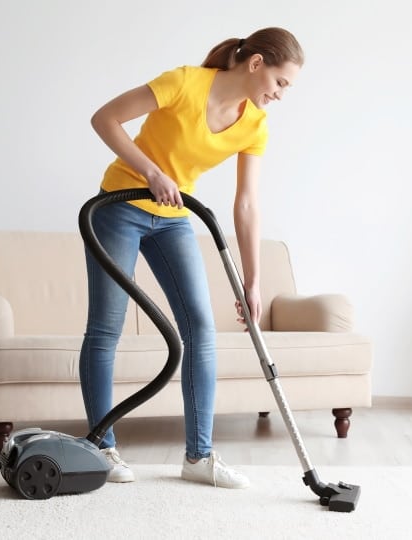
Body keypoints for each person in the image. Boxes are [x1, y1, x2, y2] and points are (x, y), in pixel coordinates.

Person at [80, 27, 304, 489]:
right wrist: (152, 171)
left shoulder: (255, 125)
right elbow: (104, 119)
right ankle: (102, 447)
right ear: (256, 64)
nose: (281, 95)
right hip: (119, 207)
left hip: (174, 217)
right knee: (107, 328)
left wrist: (253, 280)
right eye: (280, 83)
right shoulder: (184, 83)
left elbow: (246, 204)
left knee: (200, 328)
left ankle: (199, 456)